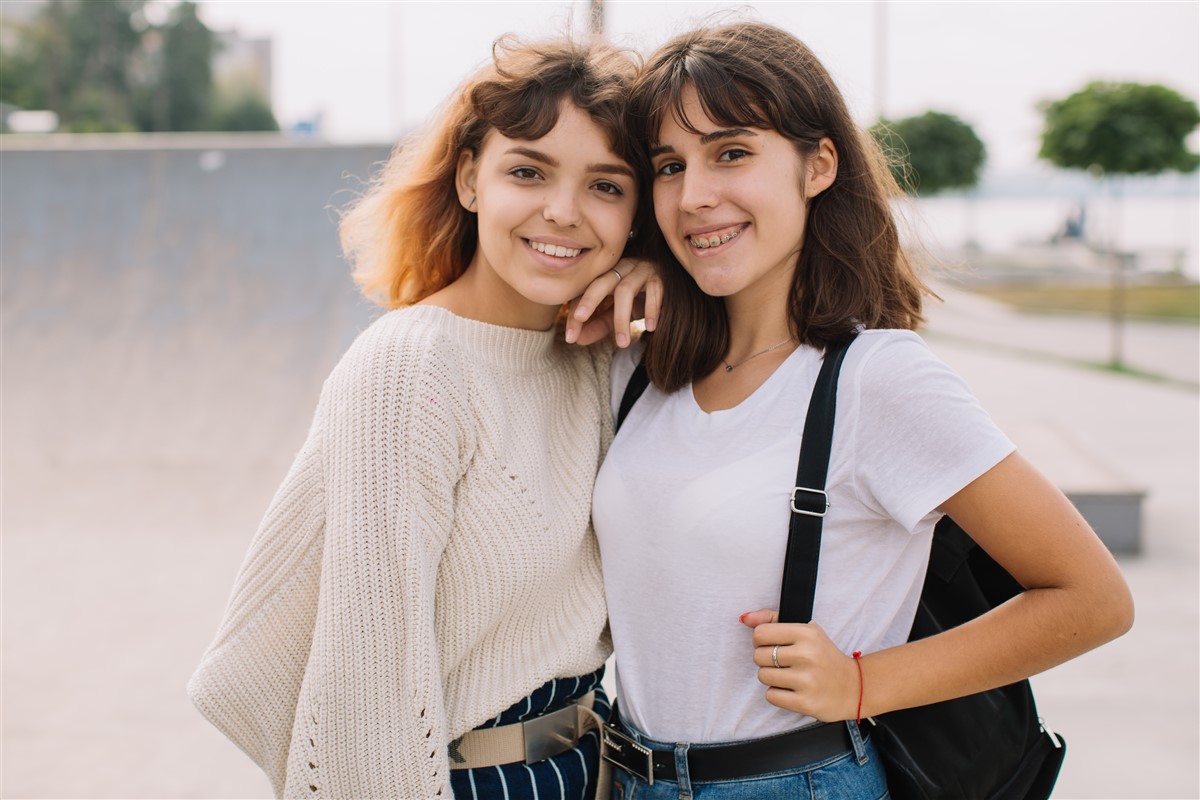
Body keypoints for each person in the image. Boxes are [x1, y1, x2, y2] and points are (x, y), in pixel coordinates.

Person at [589, 21, 1134, 799]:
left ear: (818, 165)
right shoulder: (644, 370)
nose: (695, 194)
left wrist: (863, 683)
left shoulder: (878, 380)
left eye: (732, 153)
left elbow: (1093, 600)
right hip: (626, 776)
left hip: (792, 783)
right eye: (669, 166)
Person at [189, 36, 657, 799]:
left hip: (593, 767)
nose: (563, 212)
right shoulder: (413, 369)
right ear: (471, 178)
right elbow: (366, 681)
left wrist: (661, 274)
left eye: (607, 186)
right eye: (528, 171)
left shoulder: (595, 352)